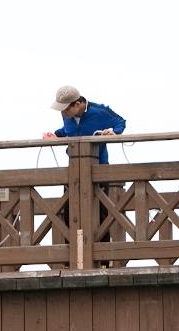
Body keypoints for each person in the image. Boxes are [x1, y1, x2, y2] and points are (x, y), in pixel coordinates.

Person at [43, 86, 128, 258]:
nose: (64, 113)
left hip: (99, 168)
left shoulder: (99, 111)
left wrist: (112, 132)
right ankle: (71, 256)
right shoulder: (66, 114)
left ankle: (102, 255)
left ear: (78, 104)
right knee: (69, 212)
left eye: (66, 109)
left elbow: (121, 122)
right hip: (73, 169)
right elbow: (67, 131)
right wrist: (56, 136)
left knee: (101, 212)